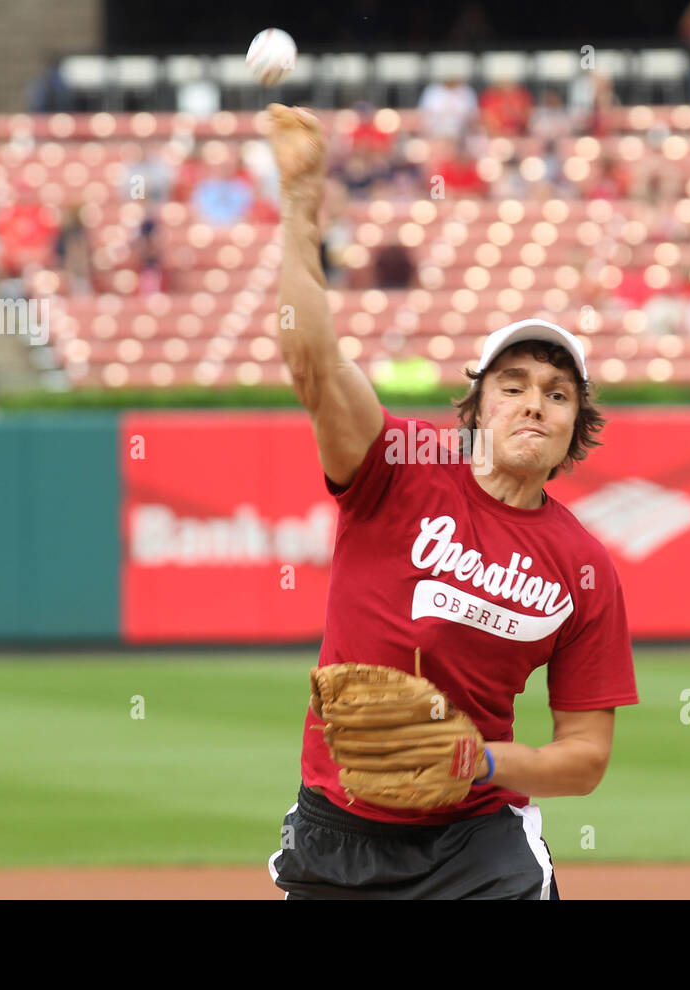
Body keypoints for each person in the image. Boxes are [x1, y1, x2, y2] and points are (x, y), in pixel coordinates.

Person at [263, 103, 639, 900]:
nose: (534, 403)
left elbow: (585, 757)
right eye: (513, 385)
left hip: (479, 848)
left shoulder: (582, 567)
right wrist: (300, 206)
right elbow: (312, 360)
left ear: (576, 429)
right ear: (476, 409)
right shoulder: (398, 467)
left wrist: (484, 760)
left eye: (557, 393)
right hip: (338, 834)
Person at [418, 76, 479, 140]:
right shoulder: (432, 91)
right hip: (435, 133)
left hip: (461, 135)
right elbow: (423, 117)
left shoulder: (467, 91)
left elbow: (473, 116)